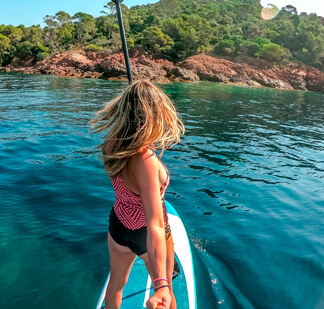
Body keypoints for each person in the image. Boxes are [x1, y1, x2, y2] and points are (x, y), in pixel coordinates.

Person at [91, 80, 185, 309]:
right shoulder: (146, 161)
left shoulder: (112, 143)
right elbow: (154, 224)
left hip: (118, 226)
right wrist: (160, 284)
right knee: (167, 293)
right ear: (154, 114)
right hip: (146, 232)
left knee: (116, 285)